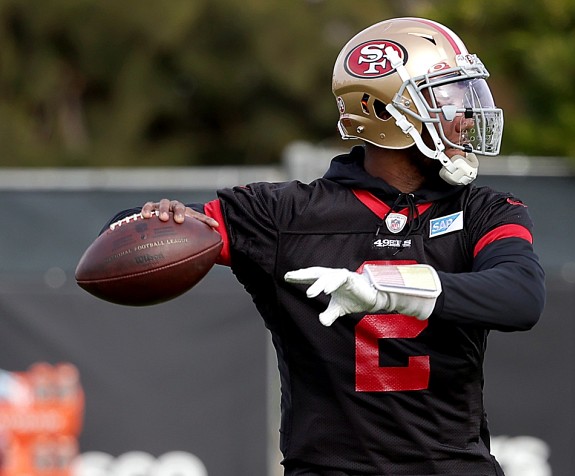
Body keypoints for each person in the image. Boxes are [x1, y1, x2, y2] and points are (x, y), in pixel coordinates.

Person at [103, 17, 545, 475]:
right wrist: (161, 220)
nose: (466, 115)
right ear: (384, 110)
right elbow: (123, 236)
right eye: (447, 97)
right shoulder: (283, 216)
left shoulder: (485, 211)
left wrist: (386, 289)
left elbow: (520, 296)